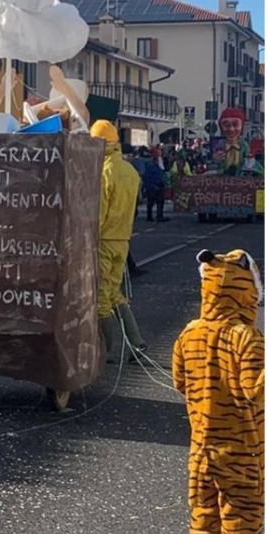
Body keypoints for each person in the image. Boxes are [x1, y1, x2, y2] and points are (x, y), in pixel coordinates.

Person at [173, 249, 264, 534]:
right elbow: (256, 389)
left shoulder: (189, 333)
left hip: (201, 449)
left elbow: (180, 382)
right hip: (240, 452)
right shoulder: (246, 338)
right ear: (248, 290)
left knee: (203, 519)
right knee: (241, 519)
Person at [90, 120, 147, 362]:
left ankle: (106, 352)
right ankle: (136, 342)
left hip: (104, 239)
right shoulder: (130, 171)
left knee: (101, 299)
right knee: (114, 292)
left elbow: (99, 213)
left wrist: (89, 238)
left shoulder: (105, 172)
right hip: (122, 239)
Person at [142, 145, 169, 222]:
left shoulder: (157, 163)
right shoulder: (150, 164)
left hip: (157, 185)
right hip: (153, 185)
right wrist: (148, 186)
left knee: (157, 202)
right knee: (153, 202)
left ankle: (156, 216)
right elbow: (147, 176)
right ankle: (153, 216)